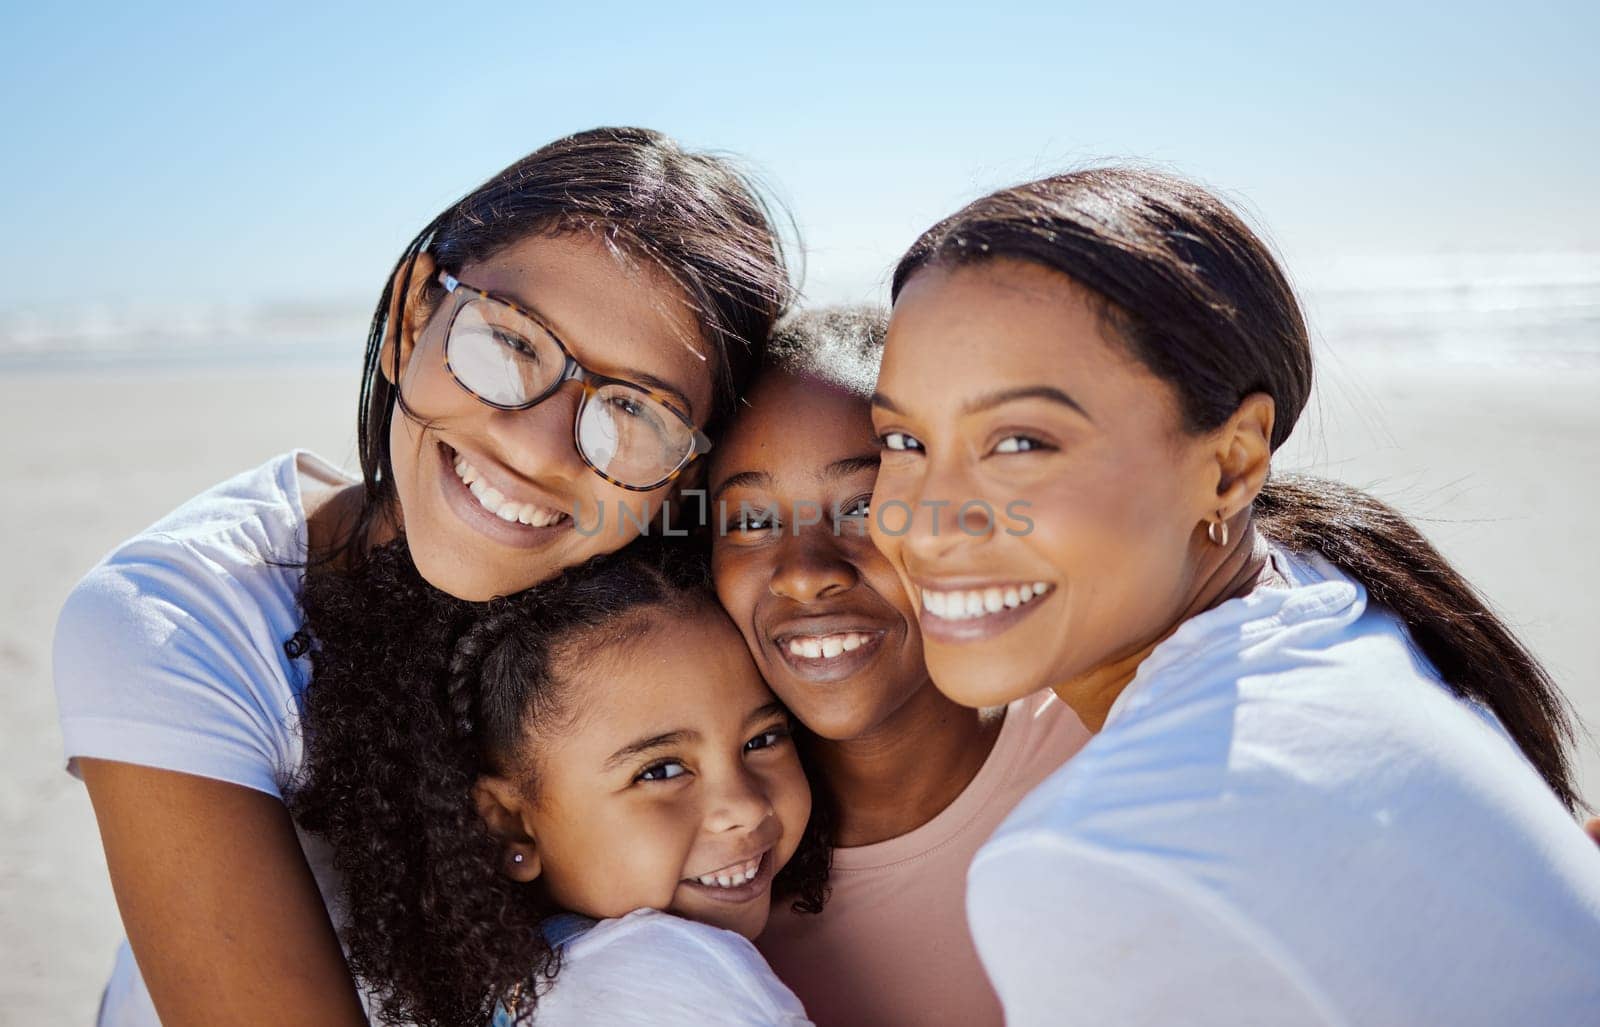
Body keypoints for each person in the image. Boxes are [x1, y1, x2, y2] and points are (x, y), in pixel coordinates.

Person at [51, 126, 791, 1026]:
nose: (535, 444)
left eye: (634, 408)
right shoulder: (177, 618)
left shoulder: (682, 602)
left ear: (684, 468)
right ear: (413, 319)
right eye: (511, 344)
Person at [868, 168, 1600, 1025]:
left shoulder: (1096, 854)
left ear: (1234, 462)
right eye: (904, 438)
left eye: (1021, 441)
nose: (923, 523)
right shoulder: (1333, 591)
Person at [708, 307, 1090, 1025]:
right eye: (752, 522)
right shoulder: (716, 873)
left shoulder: (1104, 742)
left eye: (862, 506)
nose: (803, 573)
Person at [289, 539, 819, 1027]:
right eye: (659, 771)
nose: (744, 806)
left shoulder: (510, 991)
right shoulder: (674, 976)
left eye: (763, 739)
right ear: (512, 826)